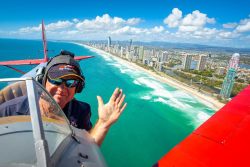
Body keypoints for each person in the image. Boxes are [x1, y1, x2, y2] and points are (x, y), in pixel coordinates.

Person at [0, 50, 127, 146]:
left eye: (71, 82)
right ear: (42, 81)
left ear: (78, 88)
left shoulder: (81, 111)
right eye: (55, 79)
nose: (62, 88)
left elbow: (86, 149)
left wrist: (103, 123)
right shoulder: (9, 111)